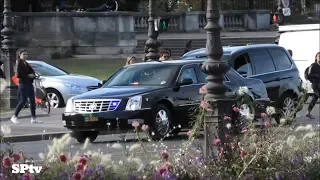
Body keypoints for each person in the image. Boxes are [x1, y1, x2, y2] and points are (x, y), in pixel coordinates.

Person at [10, 49, 42, 124]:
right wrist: (28, 75)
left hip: (29, 84)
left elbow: (31, 71)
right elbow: (18, 75)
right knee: (23, 101)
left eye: (26, 54)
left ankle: (33, 118)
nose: (25, 56)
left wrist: (33, 75)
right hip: (23, 84)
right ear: (19, 55)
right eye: (23, 54)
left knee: (32, 101)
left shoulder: (26, 63)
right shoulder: (19, 63)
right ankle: (14, 116)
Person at [306, 52, 320, 119]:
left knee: (315, 98)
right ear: (316, 57)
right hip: (315, 85)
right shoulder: (313, 65)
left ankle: (308, 112)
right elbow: (309, 75)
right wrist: (316, 75)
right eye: (319, 56)